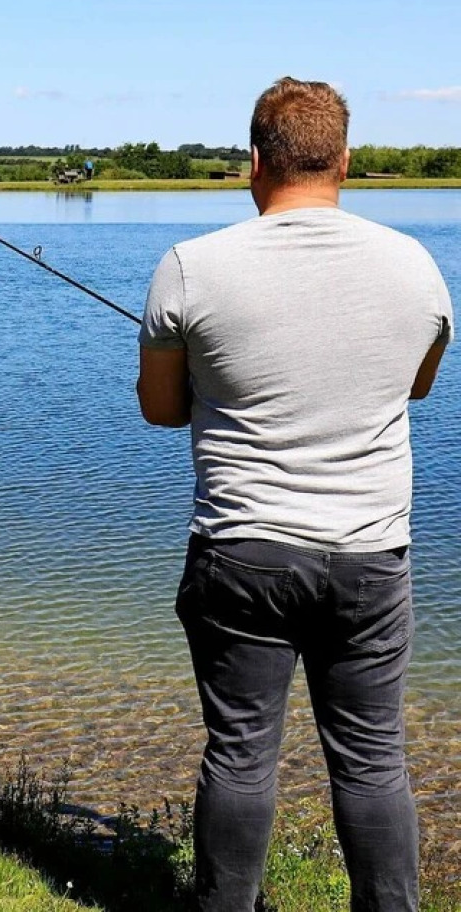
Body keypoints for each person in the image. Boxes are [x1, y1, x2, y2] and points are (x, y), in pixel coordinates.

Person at [137, 78, 452, 911]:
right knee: (374, 759)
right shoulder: (417, 268)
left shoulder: (190, 269)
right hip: (370, 559)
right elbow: (415, 388)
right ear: (344, 160)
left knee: (241, 753)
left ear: (253, 162)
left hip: (242, 553)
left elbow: (163, 411)